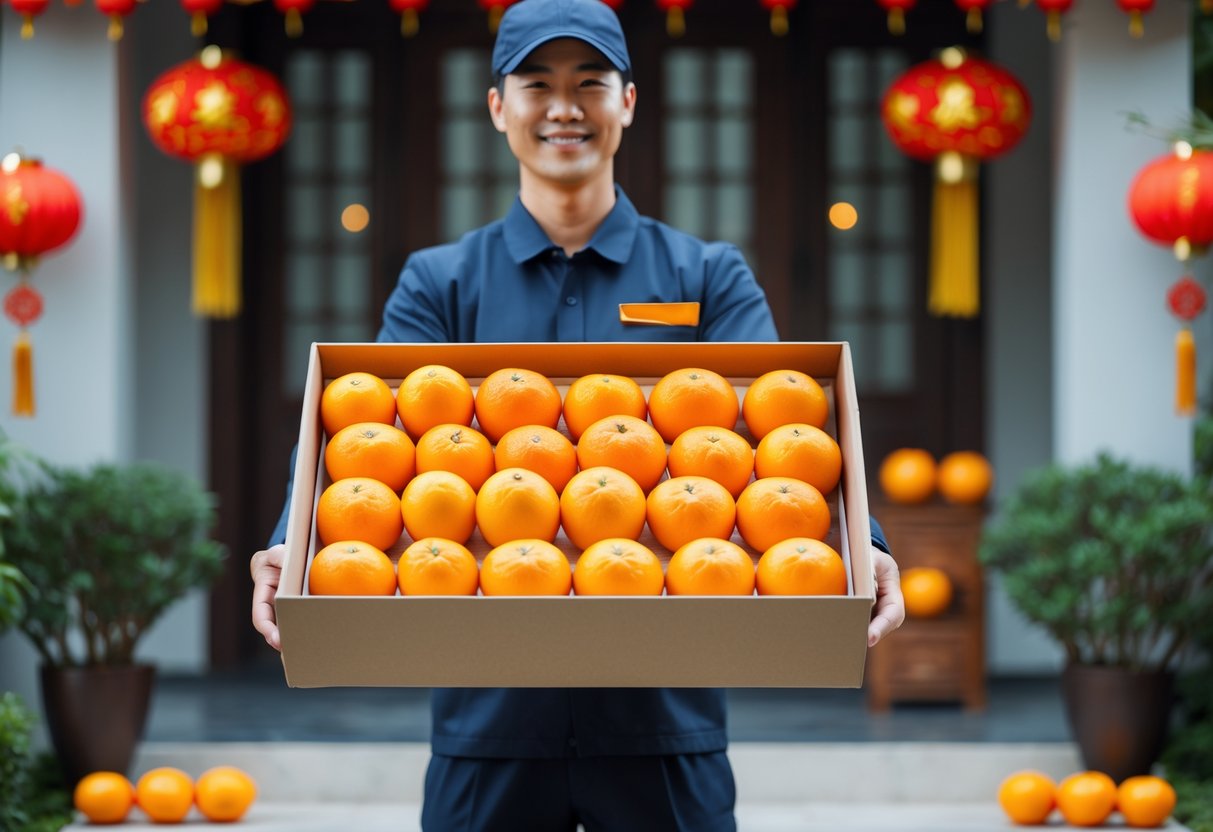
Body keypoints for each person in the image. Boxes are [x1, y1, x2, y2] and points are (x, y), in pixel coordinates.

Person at [250, 0, 906, 828]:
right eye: (537, 84)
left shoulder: (704, 275)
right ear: (498, 107)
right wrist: (293, 541)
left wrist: (861, 544)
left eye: (589, 82)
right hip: (489, 719)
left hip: (664, 715)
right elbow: (363, 434)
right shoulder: (441, 282)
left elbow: (788, 433)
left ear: (627, 101)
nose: (564, 107)